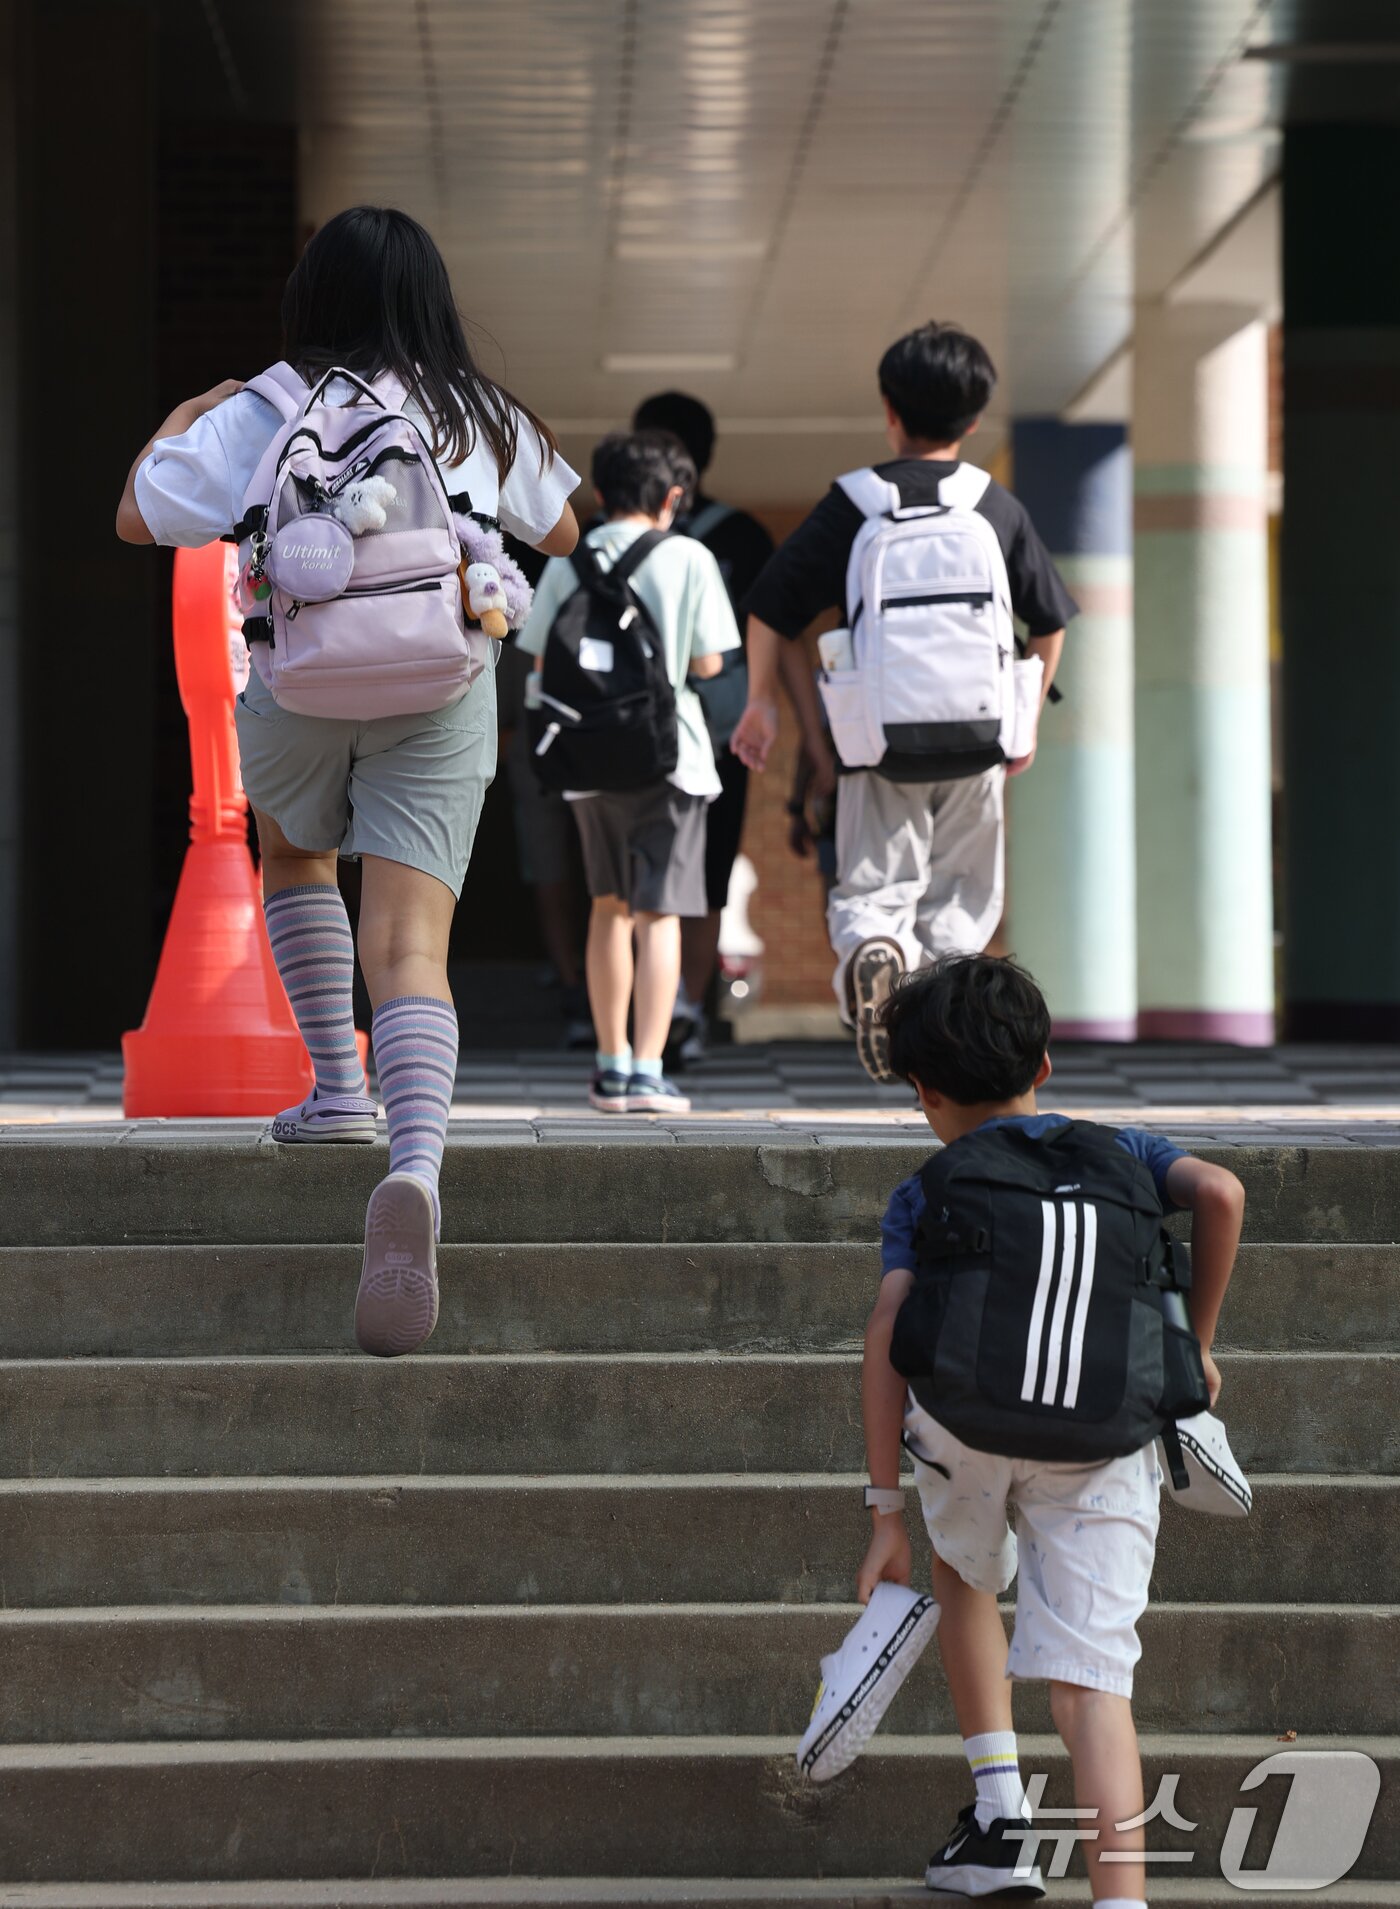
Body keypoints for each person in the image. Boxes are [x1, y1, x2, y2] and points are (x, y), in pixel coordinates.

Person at [115, 205, 580, 1356]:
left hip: (297, 686)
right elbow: (564, 532)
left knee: (295, 856)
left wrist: (186, 415)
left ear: (307, 297)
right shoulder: (469, 409)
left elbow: (138, 517)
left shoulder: (263, 405)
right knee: (412, 947)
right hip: (437, 683)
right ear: (427, 298)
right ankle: (412, 1163)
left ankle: (335, 1088)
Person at [860, 954, 1244, 1905]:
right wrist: (1194, 1348)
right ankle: (1121, 1899)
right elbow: (1224, 1193)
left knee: (966, 1571)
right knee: (1094, 1690)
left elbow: (886, 1333)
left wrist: (882, 1512)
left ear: (925, 1092)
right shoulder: (1124, 1150)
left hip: (962, 1428)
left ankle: (1000, 1820)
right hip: (1107, 1433)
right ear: (1044, 1064)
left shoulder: (928, 1186)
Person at [732, 321, 1078, 1081]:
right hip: (980, 734)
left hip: (879, 740)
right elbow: (1051, 619)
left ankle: (874, 954)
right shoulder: (994, 505)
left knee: (874, 884)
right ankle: (944, 1039)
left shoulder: (856, 502)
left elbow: (771, 607)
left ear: (890, 409)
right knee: (963, 892)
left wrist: (762, 702)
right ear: (977, 418)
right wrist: (1024, 722)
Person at [517, 431, 740, 1113]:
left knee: (607, 909)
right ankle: (649, 1068)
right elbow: (708, 664)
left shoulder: (568, 561)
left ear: (601, 494)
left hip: (589, 763)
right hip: (671, 760)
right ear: (673, 497)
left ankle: (609, 1067)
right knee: (659, 912)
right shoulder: (691, 557)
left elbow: (537, 661)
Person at [632, 392, 775, 1064]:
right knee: (702, 873)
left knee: (646, 878)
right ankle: (681, 1008)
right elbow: (774, 641)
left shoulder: (608, 536)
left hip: (631, 733)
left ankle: (655, 1017)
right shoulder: (741, 537)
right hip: (717, 736)